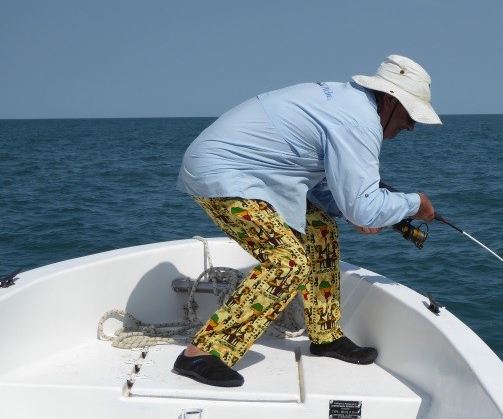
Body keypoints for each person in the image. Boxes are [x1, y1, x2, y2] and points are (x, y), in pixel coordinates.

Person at [172, 55, 441, 387]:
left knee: (321, 229)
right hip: (223, 174)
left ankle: (325, 335)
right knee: (288, 263)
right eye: (410, 115)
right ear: (389, 100)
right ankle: (201, 353)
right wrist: (416, 204)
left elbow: (326, 188)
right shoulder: (358, 121)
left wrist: (350, 209)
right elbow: (365, 208)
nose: (411, 126)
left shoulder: (348, 103)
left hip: (256, 174)